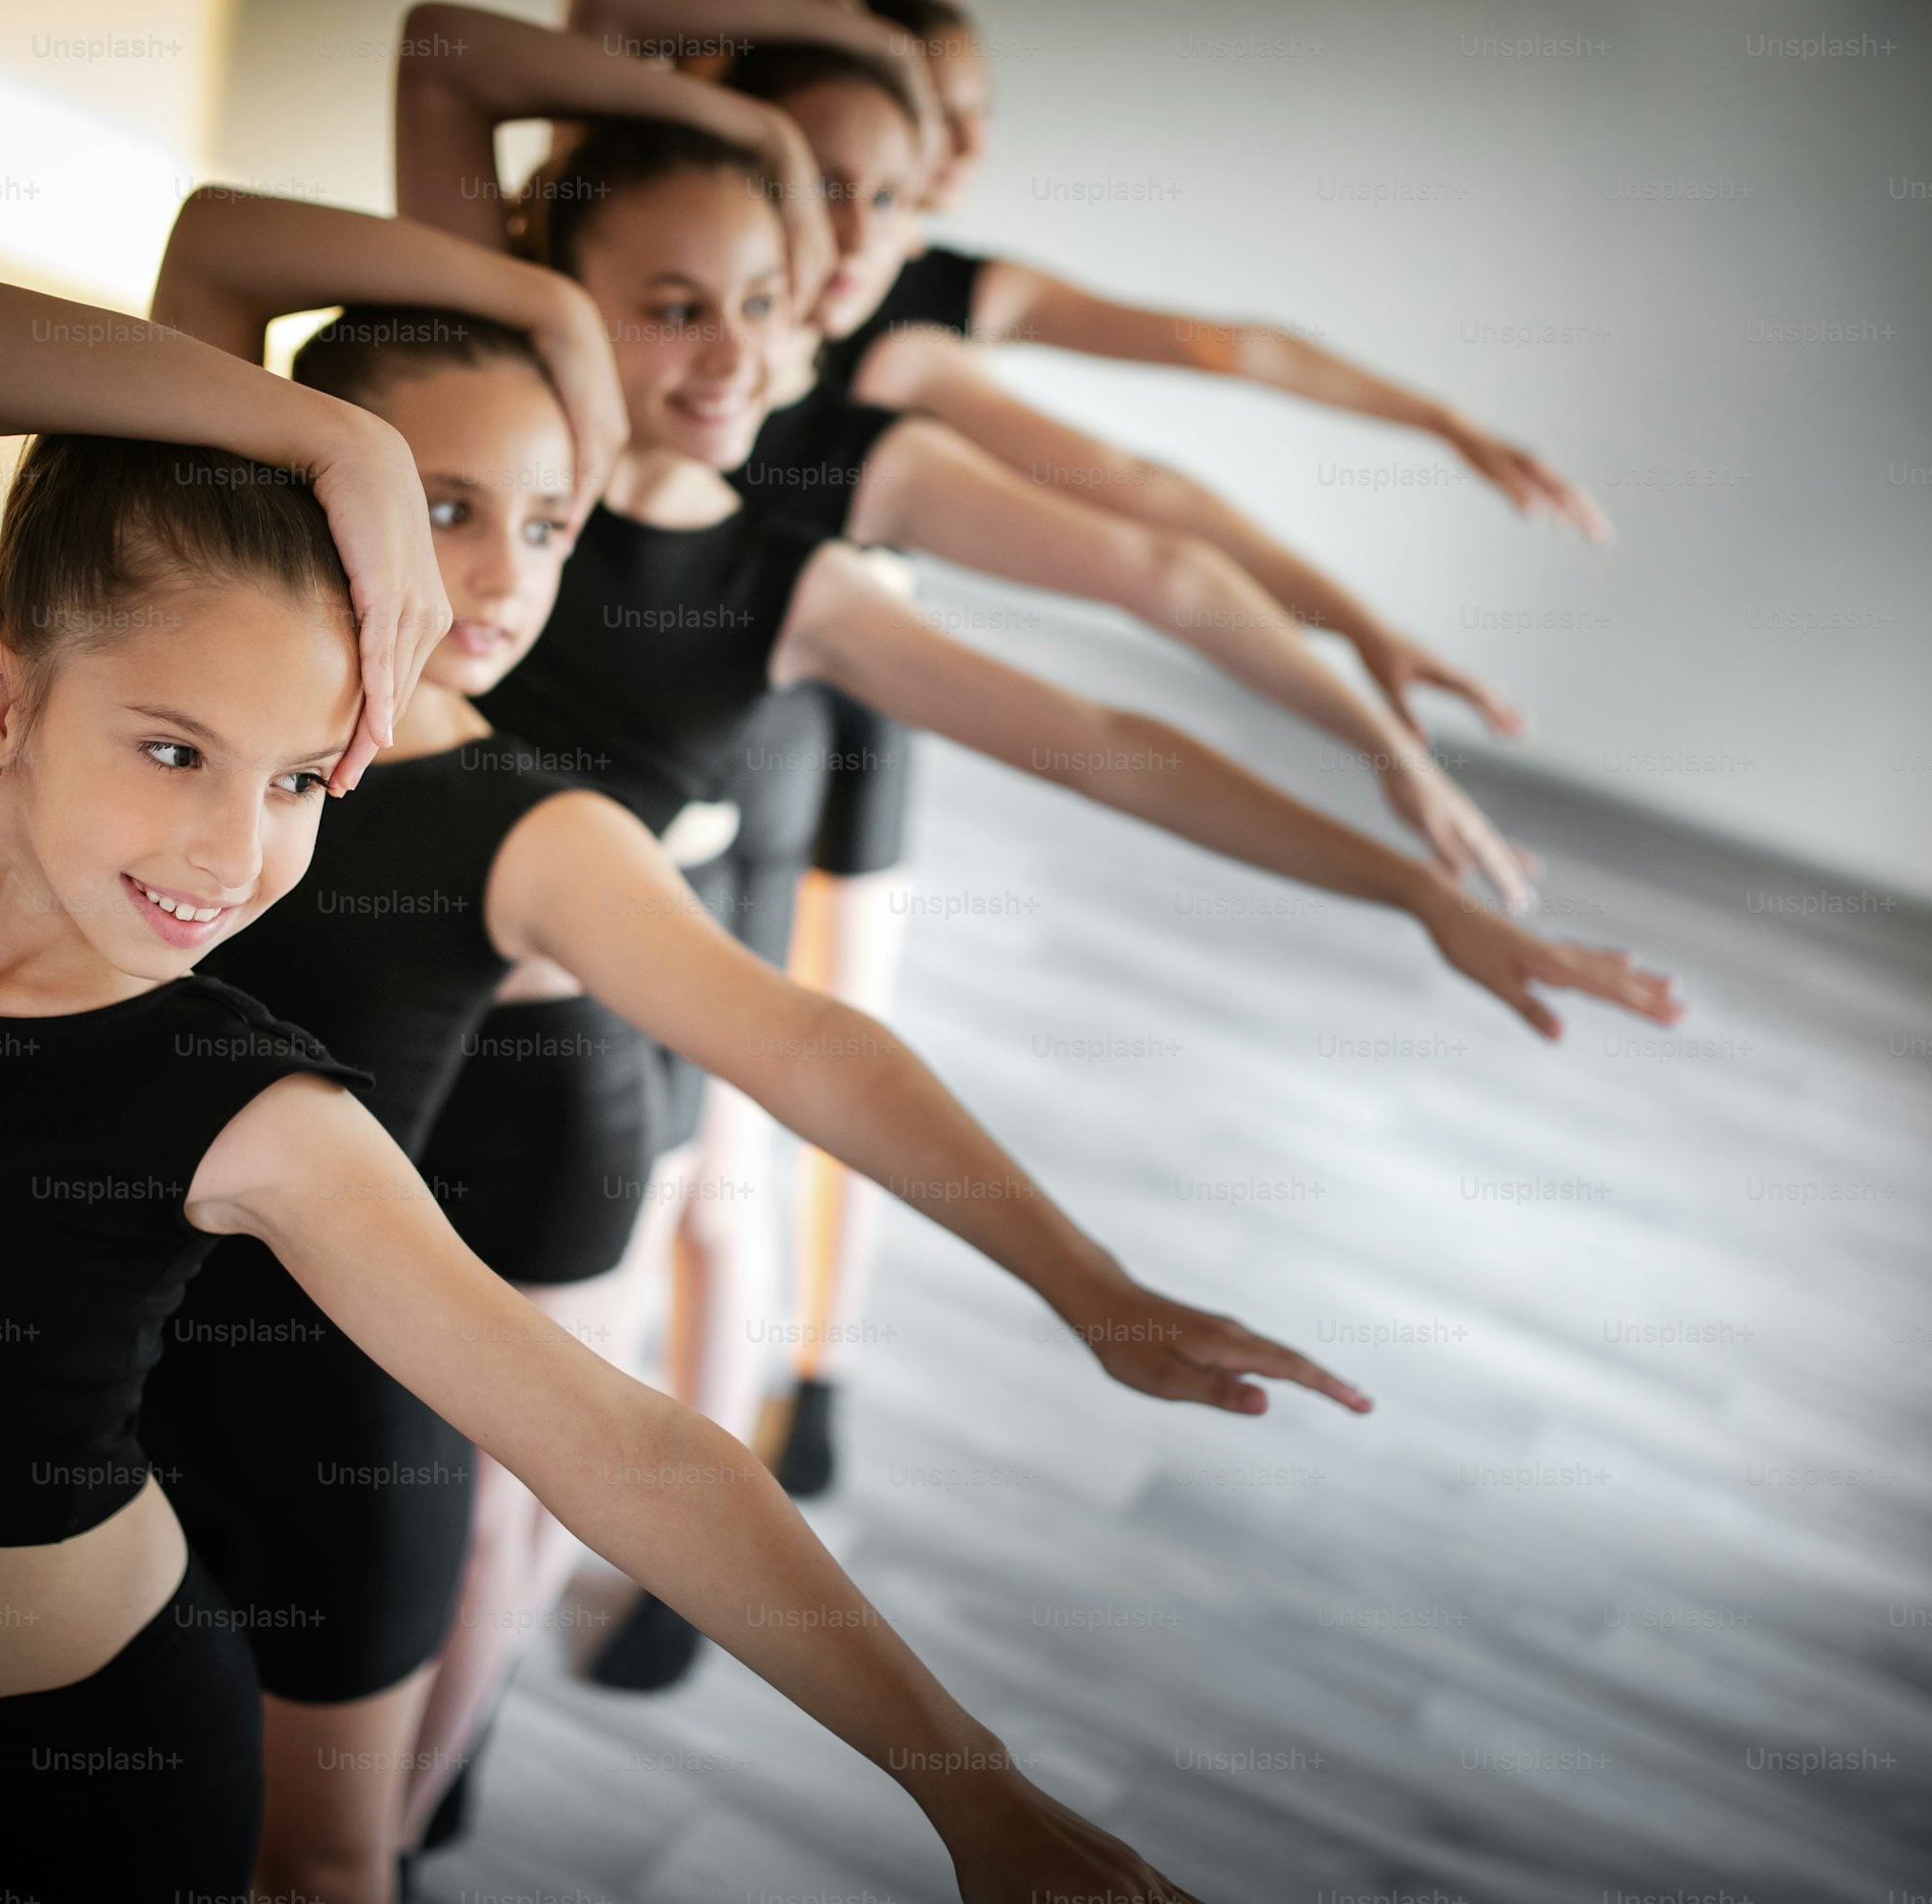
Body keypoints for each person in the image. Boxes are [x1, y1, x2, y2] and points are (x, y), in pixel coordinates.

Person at [0, 259, 1256, 1903]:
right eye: (176, 749)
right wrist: (341, 448)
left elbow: (629, 1448)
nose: (232, 850)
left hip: (81, 1789)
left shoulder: (252, 1109)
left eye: (301, 779)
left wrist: (973, 1798)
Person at [137, 187, 1368, 1902]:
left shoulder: (534, 825)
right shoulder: (160, 659)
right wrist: (569, 332)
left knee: (321, 1867)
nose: (503, 578)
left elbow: (812, 1048)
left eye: (553, 525)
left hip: (333, 1429)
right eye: (444, 508)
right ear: (315, 469)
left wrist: (1087, 1284)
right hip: (79, 1365)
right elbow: (214, 249)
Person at [398, 99, 1687, 1701]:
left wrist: (1409, 881)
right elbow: (440, 61)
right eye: (672, 305)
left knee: (498, 1512)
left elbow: (1113, 744)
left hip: (564, 1060)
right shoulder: (449, 432)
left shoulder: (785, 577)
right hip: (363, 1026)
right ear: (548, 287)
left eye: (767, 295)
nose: (736, 350)